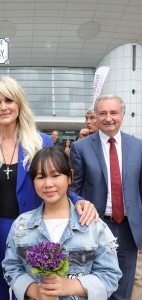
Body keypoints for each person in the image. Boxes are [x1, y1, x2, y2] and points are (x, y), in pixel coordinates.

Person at [0, 76, 98, 300]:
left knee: (31, 293)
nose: (3, 107)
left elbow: (54, 180)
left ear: (19, 103)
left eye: (9, 100)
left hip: (33, 234)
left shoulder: (41, 142)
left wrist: (78, 200)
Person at [2, 147, 122, 299]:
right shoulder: (21, 226)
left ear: (70, 176)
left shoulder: (93, 225)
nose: (48, 183)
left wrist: (70, 286)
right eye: (40, 177)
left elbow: (110, 274)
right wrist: (34, 290)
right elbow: (11, 267)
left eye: (55, 175)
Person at [70, 93, 142, 300]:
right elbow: (75, 190)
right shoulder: (80, 147)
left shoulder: (138, 147)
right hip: (95, 226)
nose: (108, 118)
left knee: (124, 286)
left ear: (123, 114)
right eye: (103, 113)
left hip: (129, 228)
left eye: (113, 112)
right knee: (96, 284)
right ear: (95, 115)